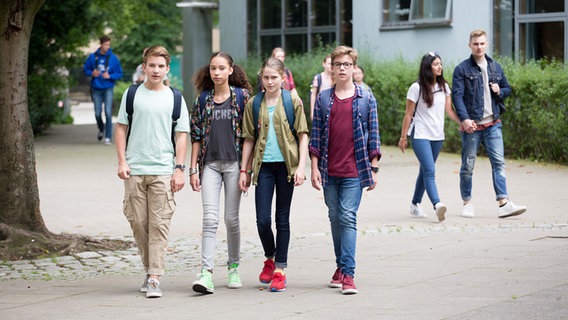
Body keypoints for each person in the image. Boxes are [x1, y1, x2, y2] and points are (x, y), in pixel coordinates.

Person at [115, 46, 189, 298]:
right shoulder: (132, 94)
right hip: (134, 169)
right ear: (144, 67)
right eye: (151, 65)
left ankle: (155, 277)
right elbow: (121, 128)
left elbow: (181, 136)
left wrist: (179, 169)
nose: (156, 70)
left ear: (167, 69)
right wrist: (121, 161)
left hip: (163, 170)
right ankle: (150, 270)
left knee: (159, 224)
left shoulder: (176, 98)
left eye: (160, 66)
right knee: (138, 223)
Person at [309, 45, 381, 295]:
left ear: (354, 68)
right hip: (329, 169)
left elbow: (374, 134)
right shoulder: (323, 98)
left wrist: (374, 168)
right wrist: (314, 167)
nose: (342, 68)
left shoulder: (366, 98)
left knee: (348, 217)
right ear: (331, 68)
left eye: (346, 64)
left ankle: (348, 274)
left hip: (355, 168)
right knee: (334, 217)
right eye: (337, 64)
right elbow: (316, 135)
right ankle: (340, 266)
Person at [239, 57, 309, 292]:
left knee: (282, 220)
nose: (269, 82)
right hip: (264, 168)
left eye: (274, 77)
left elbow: (303, 135)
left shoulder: (292, 101)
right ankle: (270, 256)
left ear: (282, 78)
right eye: (266, 77)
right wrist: (244, 170)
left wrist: (301, 167)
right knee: (262, 220)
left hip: (286, 167)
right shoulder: (254, 103)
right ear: (261, 77)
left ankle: (280, 269)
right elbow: (248, 138)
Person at [189, 52, 252, 294]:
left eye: (221, 68)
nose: (216, 72)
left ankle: (233, 268)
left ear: (230, 70)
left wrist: (246, 169)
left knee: (231, 219)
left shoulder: (242, 97)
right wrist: (193, 169)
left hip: (235, 165)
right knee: (209, 220)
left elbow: (250, 135)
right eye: (213, 68)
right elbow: (195, 136)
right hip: (210, 166)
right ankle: (206, 273)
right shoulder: (203, 99)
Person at [452, 29, 527, 219]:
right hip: (473, 127)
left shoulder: (495, 67)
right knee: (468, 166)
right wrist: (465, 119)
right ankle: (467, 203)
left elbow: (507, 88)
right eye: (476, 44)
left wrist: (499, 90)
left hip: (493, 124)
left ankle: (503, 203)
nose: (479, 47)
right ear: (470, 45)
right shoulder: (461, 69)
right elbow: (457, 97)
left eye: (482, 43)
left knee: (499, 163)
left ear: (487, 44)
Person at [398, 52, 461, 222]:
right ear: (427, 67)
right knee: (430, 170)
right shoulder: (416, 88)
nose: (439, 67)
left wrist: (462, 122)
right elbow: (408, 114)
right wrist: (403, 137)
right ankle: (437, 204)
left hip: (437, 135)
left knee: (425, 170)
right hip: (420, 134)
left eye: (440, 63)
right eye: (435, 64)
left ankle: (414, 204)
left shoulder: (444, 87)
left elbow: (449, 111)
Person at [83, 35, 123, 145]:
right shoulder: (92, 57)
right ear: (101, 44)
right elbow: (85, 69)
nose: (108, 47)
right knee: (97, 113)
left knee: (109, 113)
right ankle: (101, 128)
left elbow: (119, 73)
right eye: (106, 45)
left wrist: (110, 76)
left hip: (108, 88)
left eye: (109, 45)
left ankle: (108, 137)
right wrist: (92, 73)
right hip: (96, 88)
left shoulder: (113, 58)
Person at [309, 54, 334, 120]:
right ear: (324, 64)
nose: (331, 66)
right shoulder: (318, 77)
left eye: (333, 64)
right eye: (329, 63)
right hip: (321, 108)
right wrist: (312, 112)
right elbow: (313, 95)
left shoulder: (336, 78)